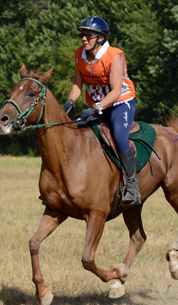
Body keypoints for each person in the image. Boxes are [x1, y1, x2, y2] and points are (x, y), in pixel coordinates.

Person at [63, 16, 141, 207]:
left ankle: (132, 186)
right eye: (82, 35)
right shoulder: (80, 55)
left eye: (88, 35)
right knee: (72, 132)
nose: (83, 39)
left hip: (119, 104)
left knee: (120, 138)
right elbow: (76, 84)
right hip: (96, 107)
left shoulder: (113, 56)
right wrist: (69, 103)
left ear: (100, 38)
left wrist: (94, 108)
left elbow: (115, 92)